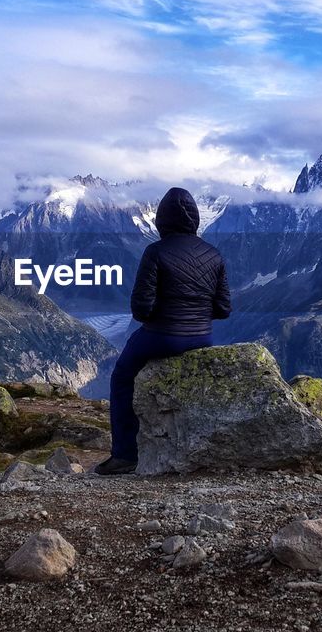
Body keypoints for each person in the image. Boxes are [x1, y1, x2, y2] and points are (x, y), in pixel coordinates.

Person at [94, 187, 231, 475]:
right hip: (202, 337)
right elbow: (223, 309)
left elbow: (140, 309)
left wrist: (165, 315)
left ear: (161, 221)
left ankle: (125, 455)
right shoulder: (214, 254)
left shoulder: (155, 252)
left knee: (121, 376)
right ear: (194, 220)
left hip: (161, 336)